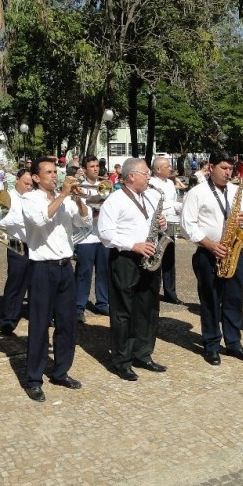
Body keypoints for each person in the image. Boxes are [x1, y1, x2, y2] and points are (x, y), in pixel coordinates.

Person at [20, 157, 91, 401]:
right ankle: (34, 378)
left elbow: (84, 222)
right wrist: (62, 195)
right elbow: (40, 220)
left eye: (55, 171)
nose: (54, 175)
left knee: (67, 323)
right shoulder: (30, 199)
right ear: (37, 177)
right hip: (41, 268)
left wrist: (78, 198)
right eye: (48, 172)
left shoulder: (66, 198)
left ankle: (61, 371)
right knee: (39, 324)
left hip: (64, 266)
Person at [180, 151, 243, 366]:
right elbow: (188, 225)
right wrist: (210, 245)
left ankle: (234, 343)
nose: (228, 173)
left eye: (230, 169)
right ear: (211, 167)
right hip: (208, 253)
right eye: (223, 168)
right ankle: (212, 344)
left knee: (234, 299)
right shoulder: (197, 193)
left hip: (235, 252)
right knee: (211, 301)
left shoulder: (237, 191)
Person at [98, 158, 168, 380]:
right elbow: (106, 234)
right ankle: (123, 360)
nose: (149, 177)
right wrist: (133, 245)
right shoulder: (115, 200)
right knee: (123, 311)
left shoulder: (149, 196)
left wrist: (161, 224)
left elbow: (149, 223)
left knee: (148, 308)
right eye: (145, 173)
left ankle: (143, 353)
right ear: (131, 176)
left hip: (149, 257)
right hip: (126, 259)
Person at [0, 168, 33, 335]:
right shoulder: (6, 197)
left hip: (35, 245)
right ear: (17, 179)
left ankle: (38, 314)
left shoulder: (34, 196)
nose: (29, 187)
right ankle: (8, 319)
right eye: (26, 183)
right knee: (15, 283)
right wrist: (22, 218)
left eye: (31, 184)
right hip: (17, 244)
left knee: (37, 283)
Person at [74, 156, 110, 322]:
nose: (96, 169)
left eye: (97, 166)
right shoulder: (79, 187)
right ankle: (78, 306)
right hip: (85, 237)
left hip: (102, 236)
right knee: (84, 273)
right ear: (85, 168)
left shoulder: (104, 185)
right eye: (92, 166)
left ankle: (103, 302)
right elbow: (77, 212)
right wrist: (93, 211)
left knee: (103, 271)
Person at [148, 156, 183, 305]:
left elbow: (173, 201)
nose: (170, 168)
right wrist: (175, 206)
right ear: (157, 169)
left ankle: (170, 292)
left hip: (170, 223)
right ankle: (153, 291)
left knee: (169, 258)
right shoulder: (150, 184)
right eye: (167, 166)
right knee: (156, 258)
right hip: (157, 224)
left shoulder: (170, 183)